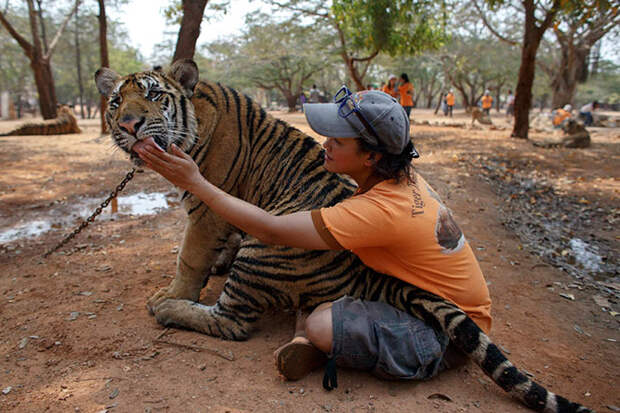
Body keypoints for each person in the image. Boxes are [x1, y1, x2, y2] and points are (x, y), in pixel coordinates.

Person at [133, 87, 492, 386]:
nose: (325, 143)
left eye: (338, 140)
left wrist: (195, 182)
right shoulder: (400, 178)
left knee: (321, 324)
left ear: (371, 156)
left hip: (443, 332)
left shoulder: (376, 211)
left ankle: (235, 321)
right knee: (321, 297)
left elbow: (270, 230)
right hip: (422, 300)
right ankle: (314, 331)